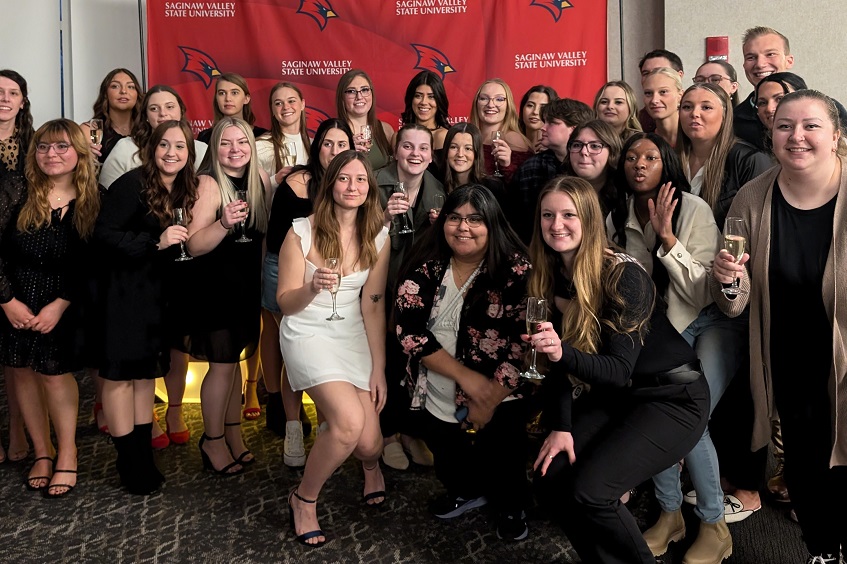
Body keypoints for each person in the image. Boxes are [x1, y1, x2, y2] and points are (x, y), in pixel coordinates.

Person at [529, 175, 710, 563]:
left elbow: (615, 370)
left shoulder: (623, 274)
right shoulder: (552, 273)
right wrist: (561, 427)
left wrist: (561, 353)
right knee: (552, 475)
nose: (556, 225)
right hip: (622, 397)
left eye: (568, 215)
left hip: (673, 398)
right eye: (547, 215)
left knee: (592, 490)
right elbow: (558, 363)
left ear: (590, 220)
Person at [710, 90, 847, 564]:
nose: (797, 136)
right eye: (785, 126)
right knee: (807, 468)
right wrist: (728, 281)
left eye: (811, 125)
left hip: (846, 358)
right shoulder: (751, 198)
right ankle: (824, 551)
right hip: (789, 357)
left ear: (836, 136)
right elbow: (734, 302)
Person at [607, 131, 736, 561]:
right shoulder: (617, 215)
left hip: (710, 322)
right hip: (661, 335)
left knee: (686, 420)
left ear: (666, 163)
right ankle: (670, 514)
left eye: (649, 157)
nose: (639, 164)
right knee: (658, 413)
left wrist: (667, 238)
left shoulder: (693, 208)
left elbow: (703, 293)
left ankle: (715, 526)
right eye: (630, 157)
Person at [393, 184, 532, 541]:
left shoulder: (516, 271)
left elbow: (525, 344)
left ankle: (512, 505)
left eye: (474, 219)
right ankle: (466, 491)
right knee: (448, 453)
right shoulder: (427, 265)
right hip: (437, 384)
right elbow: (408, 330)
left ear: (492, 224)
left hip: (501, 389)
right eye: (454, 218)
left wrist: (488, 397)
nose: (462, 227)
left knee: (503, 455)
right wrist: (466, 379)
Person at [278, 149, 390, 547]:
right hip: (307, 329)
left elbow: (373, 305)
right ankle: (303, 500)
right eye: (344, 178)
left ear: (369, 188)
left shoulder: (378, 234)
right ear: (330, 184)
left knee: (367, 443)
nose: (352, 186)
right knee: (346, 425)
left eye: (360, 179)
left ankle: (371, 466)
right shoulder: (301, 233)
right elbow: (284, 303)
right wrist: (311, 287)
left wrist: (378, 368)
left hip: (352, 332)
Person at [94, 119, 198, 494]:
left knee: (144, 378)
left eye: (180, 147)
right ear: (152, 149)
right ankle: (128, 461)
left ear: (190, 154)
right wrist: (156, 242)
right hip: (124, 294)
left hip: (156, 296)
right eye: (165, 145)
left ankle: (141, 456)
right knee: (121, 379)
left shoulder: (184, 188)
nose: (172, 153)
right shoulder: (132, 184)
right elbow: (102, 235)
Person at [0, 119, 99, 496]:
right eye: (43, 147)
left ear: (78, 152)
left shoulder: (94, 198)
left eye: (61, 147)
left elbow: (93, 262)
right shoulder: (14, 189)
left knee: (55, 376)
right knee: (22, 372)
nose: (51, 154)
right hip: (15, 299)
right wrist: (7, 301)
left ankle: (68, 453)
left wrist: (60, 304)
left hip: (65, 303)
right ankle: (42, 453)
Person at [263, 118, 354, 464]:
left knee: (327, 350)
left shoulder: (354, 182)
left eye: (341, 144)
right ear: (317, 148)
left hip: (333, 276)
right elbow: (276, 241)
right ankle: (292, 428)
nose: (333, 150)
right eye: (327, 143)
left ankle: (330, 423)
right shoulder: (299, 181)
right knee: (295, 352)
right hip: (287, 272)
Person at [183, 117, 269, 475]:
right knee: (220, 368)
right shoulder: (208, 184)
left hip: (246, 288)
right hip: (214, 290)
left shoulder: (259, 179)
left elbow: (263, 239)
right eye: (226, 143)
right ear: (214, 149)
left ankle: (233, 435)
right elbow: (192, 244)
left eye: (242, 143)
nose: (235, 150)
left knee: (233, 367)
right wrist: (222, 224)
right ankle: (212, 440)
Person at [376, 124, 445, 471]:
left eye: (422, 148)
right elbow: (351, 235)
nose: (415, 154)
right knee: (386, 360)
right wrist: (383, 217)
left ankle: (410, 432)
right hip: (381, 288)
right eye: (407, 146)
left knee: (416, 361)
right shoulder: (374, 182)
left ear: (431, 155)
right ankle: (386, 434)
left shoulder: (438, 191)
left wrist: (439, 229)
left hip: (420, 293)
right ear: (396, 150)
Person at [0, 69, 34, 464]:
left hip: (24, 252)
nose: (5, 99)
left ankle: (17, 428)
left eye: (13, 93)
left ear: (22, 101)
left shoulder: (35, 142)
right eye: (0, 92)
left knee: (16, 350)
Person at [510, 98, 594, 243]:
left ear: (574, 129)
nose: (543, 127)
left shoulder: (595, 165)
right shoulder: (530, 168)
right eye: (544, 122)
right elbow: (516, 221)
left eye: (552, 123)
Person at [100, 85, 208, 190]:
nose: (163, 113)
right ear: (146, 116)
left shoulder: (201, 149)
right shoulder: (125, 148)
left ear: (181, 111)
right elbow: (107, 193)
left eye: (169, 107)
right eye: (154, 108)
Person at [733, 26, 795, 150]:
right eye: (751, 57)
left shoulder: (827, 110)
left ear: (789, 61)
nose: (760, 64)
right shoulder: (733, 122)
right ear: (744, 65)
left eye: (770, 54)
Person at [469, 79, 533, 183]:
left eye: (499, 99)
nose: (490, 104)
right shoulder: (468, 136)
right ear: (476, 103)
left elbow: (523, 185)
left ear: (508, 106)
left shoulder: (514, 140)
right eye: (484, 98)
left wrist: (507, 165)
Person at [256, 82, 310, 192]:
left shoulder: (315, 145)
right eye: (278, 103)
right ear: (272, 110)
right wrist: (274, 180)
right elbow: (249, 193)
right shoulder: (260, 146)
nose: (286, 107)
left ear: (302, 104)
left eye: (291, 101)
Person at [80, 68, 143, 164]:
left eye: (130, 87)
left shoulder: (147, 129)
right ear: (105, 94)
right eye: (115, 86)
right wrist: (84, 157)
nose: (123, 91)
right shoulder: (91, 130)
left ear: (137, 94)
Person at [336, 69, 394, 170]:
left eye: (364, 90)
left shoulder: (386, 130)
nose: (359, 96)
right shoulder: (334, 132)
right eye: (351, 91)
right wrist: (345, 148)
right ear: (342, 97)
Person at [396, 70, 451, 177]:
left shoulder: (445, 137)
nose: (424, 102)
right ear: (411, 99)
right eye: (418, 96)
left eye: (431, 96)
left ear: (439, 100)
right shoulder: (397, 136)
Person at [562, 119, 622, 215]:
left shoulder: (625, 196)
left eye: (594, 146)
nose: (583, 152)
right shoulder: (558, 192)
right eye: (577, 145)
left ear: (612, 152)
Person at [441, 122, 506, 204]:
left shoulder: (492, 188)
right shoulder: (436, 184)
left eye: (468, 148)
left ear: (476, 153)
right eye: (454, 147)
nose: (460, 154)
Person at [196, 73, 267, 144]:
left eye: (234, 93)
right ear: (216, 99)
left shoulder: (263, 136)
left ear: (246, 99)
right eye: (222, 93)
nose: (228, 99)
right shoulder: (205, 137)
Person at [636, 49, 684, 133]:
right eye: (646, 73)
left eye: (663, 92)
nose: (653, 76)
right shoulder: (638, 122)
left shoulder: (694, 123)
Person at [642, 67, 683, 148]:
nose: (654, 100)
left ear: (680, 96)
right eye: (648, 93)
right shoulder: (644, 141)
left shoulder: (695, 137)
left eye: (663, 92)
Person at [518, 85, 558, 153]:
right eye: (530, 105)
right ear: (522, 109)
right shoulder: (511, 140)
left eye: (543, 108)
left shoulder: (558, 149)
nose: (535, 112)